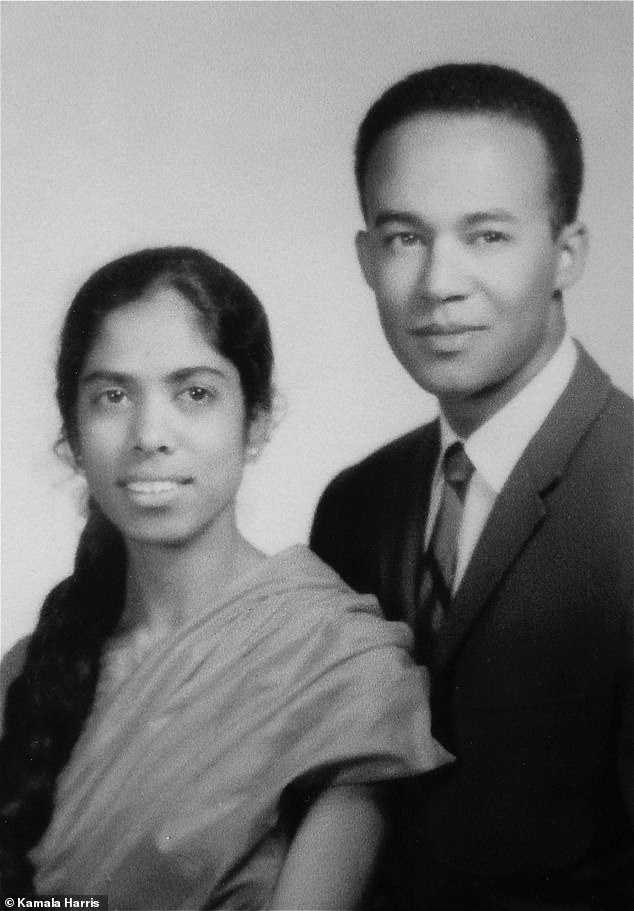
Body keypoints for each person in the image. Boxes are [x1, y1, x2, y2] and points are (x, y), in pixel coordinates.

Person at [0, 246, 452, 909]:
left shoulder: (339, 666)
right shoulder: (28, 674)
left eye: (195, 393)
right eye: (113, 395)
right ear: (72, 429)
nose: (150, 432)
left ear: (258, 420)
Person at [310, 63, 633, 910]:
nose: (438, 283)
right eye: (404, 237)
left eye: (487, 235)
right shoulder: (354, 505)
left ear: (567, 255)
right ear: (365, 256)